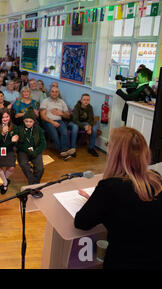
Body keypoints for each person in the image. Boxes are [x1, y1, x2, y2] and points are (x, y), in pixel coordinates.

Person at [74, 127, 162, 269]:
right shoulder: (156, 179)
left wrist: (97, 202)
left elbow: (81, 222)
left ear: (115, 154)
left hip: (123, 262)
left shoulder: (109, 187)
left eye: (109, 145)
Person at [0, 108, 19, 194]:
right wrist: (2, 134)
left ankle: (4, 180)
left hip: (9, 150)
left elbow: (16, 143)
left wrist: (16, 140)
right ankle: (5, 183)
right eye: (3, 117)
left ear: (10, 117)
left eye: (7, 116)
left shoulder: (14, 127)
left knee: (11, 168)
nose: (5, 119)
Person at [40, 87, 71, 159]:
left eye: (56, 92)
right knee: (55, 135)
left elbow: (68, 115)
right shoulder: (45, 101)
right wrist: (52, 122)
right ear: (50, 92)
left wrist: (61, 114)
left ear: (58, 93)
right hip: (48, 121)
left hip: (59, 120)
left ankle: (64, 151)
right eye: (52, 91)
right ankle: (63, 152)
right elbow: (42, 116)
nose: (54, 93)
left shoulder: (62, 102)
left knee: (64, 132)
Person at [17, 110, 46, 185]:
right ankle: (33, 183)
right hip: (23, 151)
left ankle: (34, 183)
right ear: (23, 121)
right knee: (23, 164)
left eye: (30, 121)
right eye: (26, 121)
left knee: (40, 168)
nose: (28, 123)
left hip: (35, 150)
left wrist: (35, 152)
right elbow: (18, 144)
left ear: (34, 121)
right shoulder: (19, 129)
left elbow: (43, 143)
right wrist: (27, 150)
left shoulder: (38, 129)